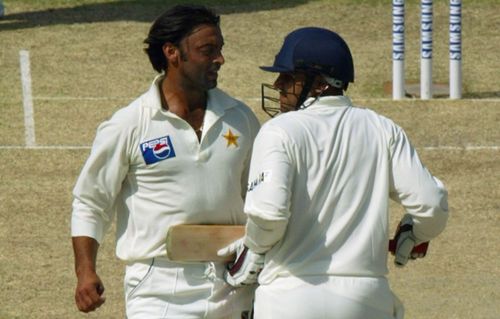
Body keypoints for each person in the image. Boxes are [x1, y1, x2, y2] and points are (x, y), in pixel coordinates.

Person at [218, 27, 449, 318]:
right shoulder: (382, 128)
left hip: (291, 298)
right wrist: (413, 234)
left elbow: (268, 215)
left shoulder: (279, 131)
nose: (277, 84)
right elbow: (432, 205)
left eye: (288, 76)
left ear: (320, 85)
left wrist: (251, 251)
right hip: (366, 301)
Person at [71, 5, 260, 318]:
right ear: (172, 52)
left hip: (232, 283)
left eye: (220, 49)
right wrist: (85, 271)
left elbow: (259, 197)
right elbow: (90, 202)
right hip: (158, 288)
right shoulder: (129, 124)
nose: (219, 59)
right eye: (207, 50)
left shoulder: (240, 119)